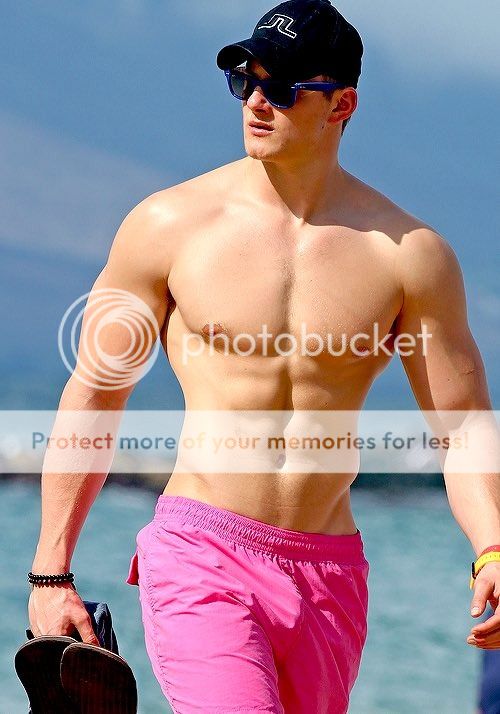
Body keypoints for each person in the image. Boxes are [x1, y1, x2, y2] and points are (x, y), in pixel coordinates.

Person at [28, 1, 500, 712]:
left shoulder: (409, 255)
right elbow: (95, 394)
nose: (256, 101)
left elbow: (461, 425)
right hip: (200, 551)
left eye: (282, 88)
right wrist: (50, 575)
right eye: (244, 80)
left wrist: (491, 547)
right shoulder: (168, 226)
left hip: (329, 571)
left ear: (342, 104)